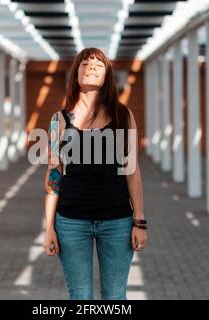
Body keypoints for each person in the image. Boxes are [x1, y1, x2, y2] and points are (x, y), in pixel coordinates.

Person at [43, 48, 148, 300]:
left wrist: (139, 221)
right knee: (80, 297)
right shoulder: (59, 120)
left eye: (98, 64)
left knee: (114, 296)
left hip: (117, 222)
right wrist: (49, 228)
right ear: (75, 74)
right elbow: (53, 178)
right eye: (85, 63)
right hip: (70, 223)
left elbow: (132, 170)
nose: (91, 66)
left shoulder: (123, 116)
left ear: (107, 76)